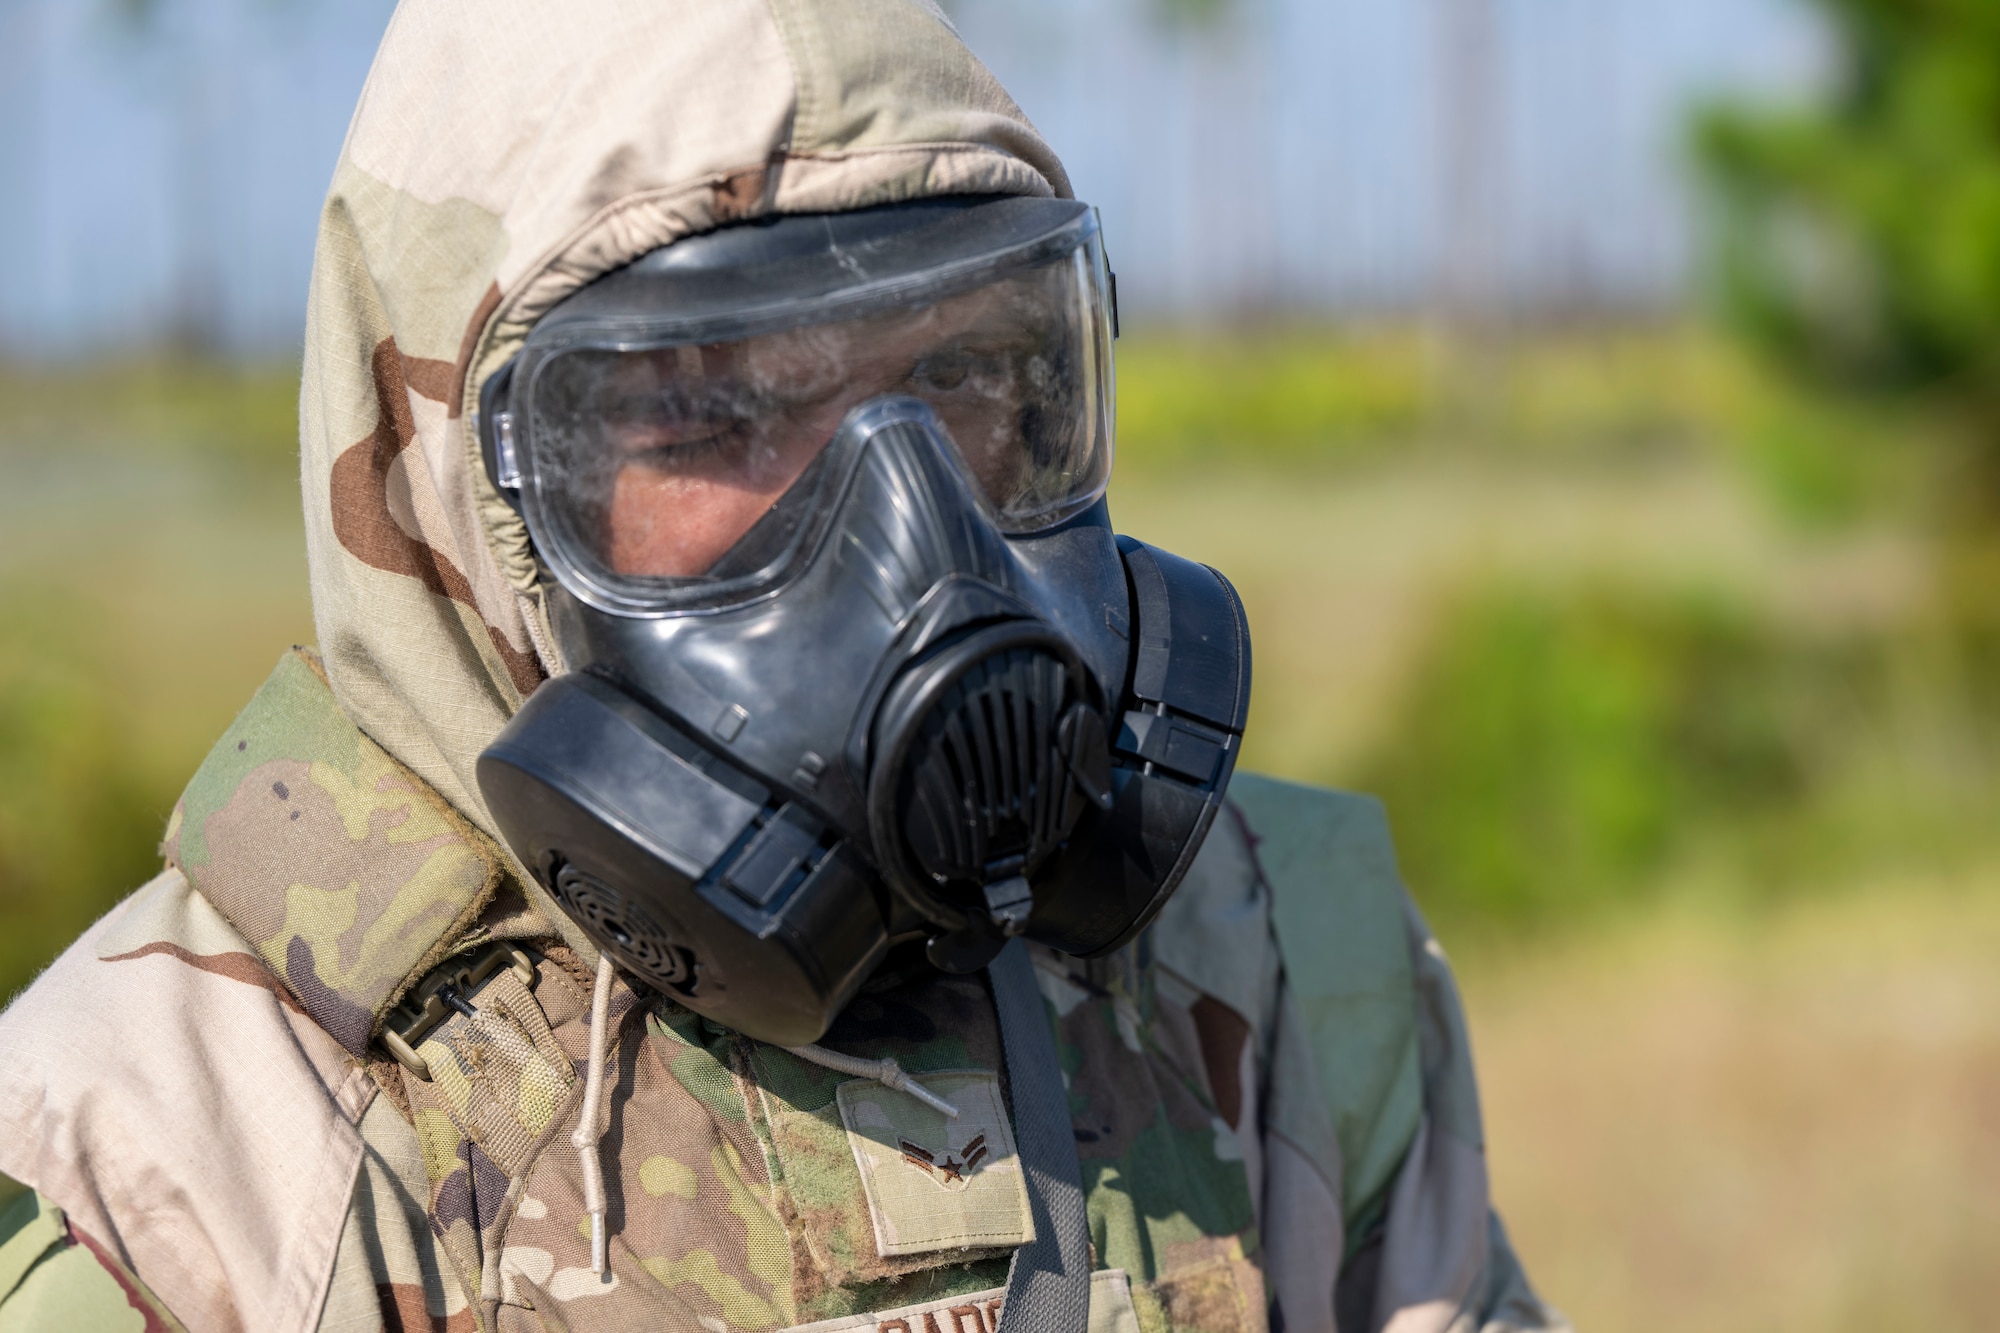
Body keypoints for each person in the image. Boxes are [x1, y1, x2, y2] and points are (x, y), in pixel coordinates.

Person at [0, 2, 1567, 1330]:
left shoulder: (1281, 961)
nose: (918, 544)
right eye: (703, 416)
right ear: (456, 505)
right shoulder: (171, 1163)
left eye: (963, 370)